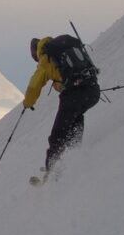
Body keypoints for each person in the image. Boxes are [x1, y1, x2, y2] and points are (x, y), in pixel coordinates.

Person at [23, 36, 101, 177]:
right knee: (76, 119)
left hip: (73, 95)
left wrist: (27, 103)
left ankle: (51, 170)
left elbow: (34, 85)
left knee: (57, 135)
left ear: (35, 53)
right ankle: (75, 155)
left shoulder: (45, 58)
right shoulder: (64, 49)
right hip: (93, 91)